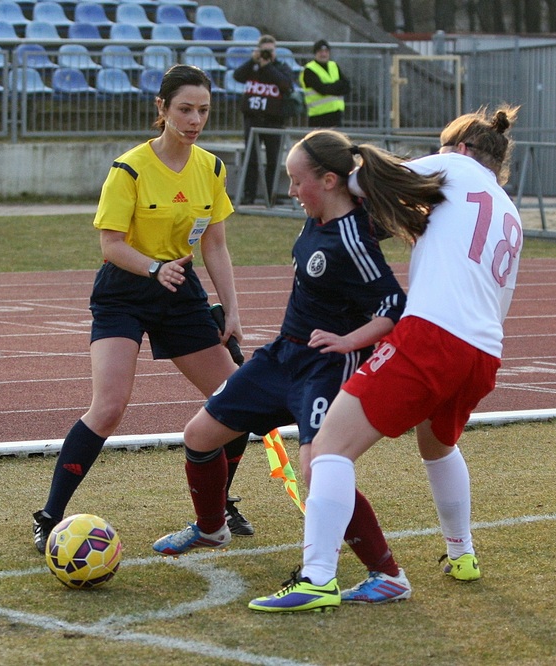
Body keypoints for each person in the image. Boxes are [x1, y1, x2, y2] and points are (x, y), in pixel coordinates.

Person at [249, 105, 524, 612]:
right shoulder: (509, 210)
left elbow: (360, 183)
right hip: (484, 351)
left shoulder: (454, 166)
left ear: (461, 150)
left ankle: (318, 578)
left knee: (329, 447)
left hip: (432, 335)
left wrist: (349, 181)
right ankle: (461, 553)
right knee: (437, 446)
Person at [153, 129, 443, 604]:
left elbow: (394, 305)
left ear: (328, 181)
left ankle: (387, 574)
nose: (290, 192)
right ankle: (212, 528)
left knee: (318, 469)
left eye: (295, 181)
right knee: (199, 436)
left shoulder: (352, 237)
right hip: (282, 355)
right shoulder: (323, 210)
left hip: (325, 368)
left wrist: (349, 341)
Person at [31, 64, 252, 552]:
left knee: (235, 399)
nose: (195, 120)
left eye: (203, 111)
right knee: (109, 406)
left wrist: (232, 309)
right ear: (162, 109)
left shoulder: (211, 167)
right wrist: (153, 268)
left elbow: (215, 245)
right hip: (125, 292)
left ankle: (221, 504)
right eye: (185, 110)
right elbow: (110, 245)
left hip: (181, 293)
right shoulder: (129, 168)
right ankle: (50, 515)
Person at [232, 34, 296, 205]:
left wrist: (268, 66)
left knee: (273, 159)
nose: (267, 54)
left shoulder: (281, 67)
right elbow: (237, 76)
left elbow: (286, 84)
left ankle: (271, 196)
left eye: (270, 51)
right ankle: (249, 195)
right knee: (251, 158)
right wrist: (252, 61)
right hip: (252, 118)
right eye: (264, 51)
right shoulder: (252, 67)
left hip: (274, 120)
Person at [300, 39, 350, 128]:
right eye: (320, 51)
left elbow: (347, 86)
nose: (323, 54)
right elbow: (322, 89)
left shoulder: (334, 65)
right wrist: (338, 86)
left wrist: (331, 87)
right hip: (319, 116)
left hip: (336, 114)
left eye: (326, 51)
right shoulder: (309, 70)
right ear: (315, 53)